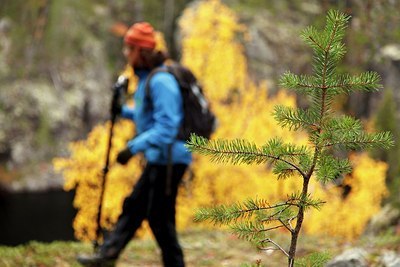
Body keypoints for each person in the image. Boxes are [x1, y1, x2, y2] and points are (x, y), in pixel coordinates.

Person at [77, 21, 191, 267]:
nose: (126, 54)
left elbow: (167, 127)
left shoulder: (161, 81)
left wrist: (132, 147)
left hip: (171, 159)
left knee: (160, 219)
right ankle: (107, 256)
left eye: (129, 49)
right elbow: (147, 115)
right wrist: (124, 112)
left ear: (141, 51)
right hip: (160, 157)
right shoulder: (148, 78)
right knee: (134, 207)